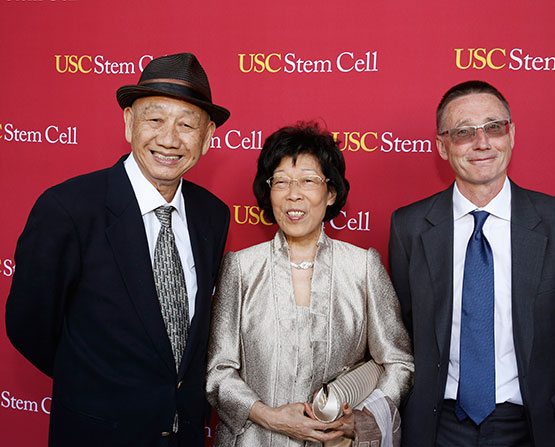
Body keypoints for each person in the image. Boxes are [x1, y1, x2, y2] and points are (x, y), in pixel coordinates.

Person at [5, 53, 230, 447]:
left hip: (186, 435)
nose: (169, 139)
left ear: (208, 136)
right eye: (155, 120)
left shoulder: (213, 214)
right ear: (129, 122)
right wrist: (97, 382)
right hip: (96, 432)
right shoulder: (68, 209)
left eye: (187, 125)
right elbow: (29, 326)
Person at [389, 80, 555, 447]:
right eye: (463, 132)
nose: (481, 142)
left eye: (493, 127)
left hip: (527, 426)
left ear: (511, 134)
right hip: (437, 425)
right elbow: (409, 324)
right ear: (442, 145)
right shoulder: (409, 226)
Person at [206, 122, 414, 446]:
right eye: (281, 182)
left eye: (307, 180)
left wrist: (360, 421)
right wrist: (269, 415)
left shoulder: (363, 267)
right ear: (268, 191)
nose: (294, 194)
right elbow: (218, 372)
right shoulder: (241, 267)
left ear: (330, 193)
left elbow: (398, 363)